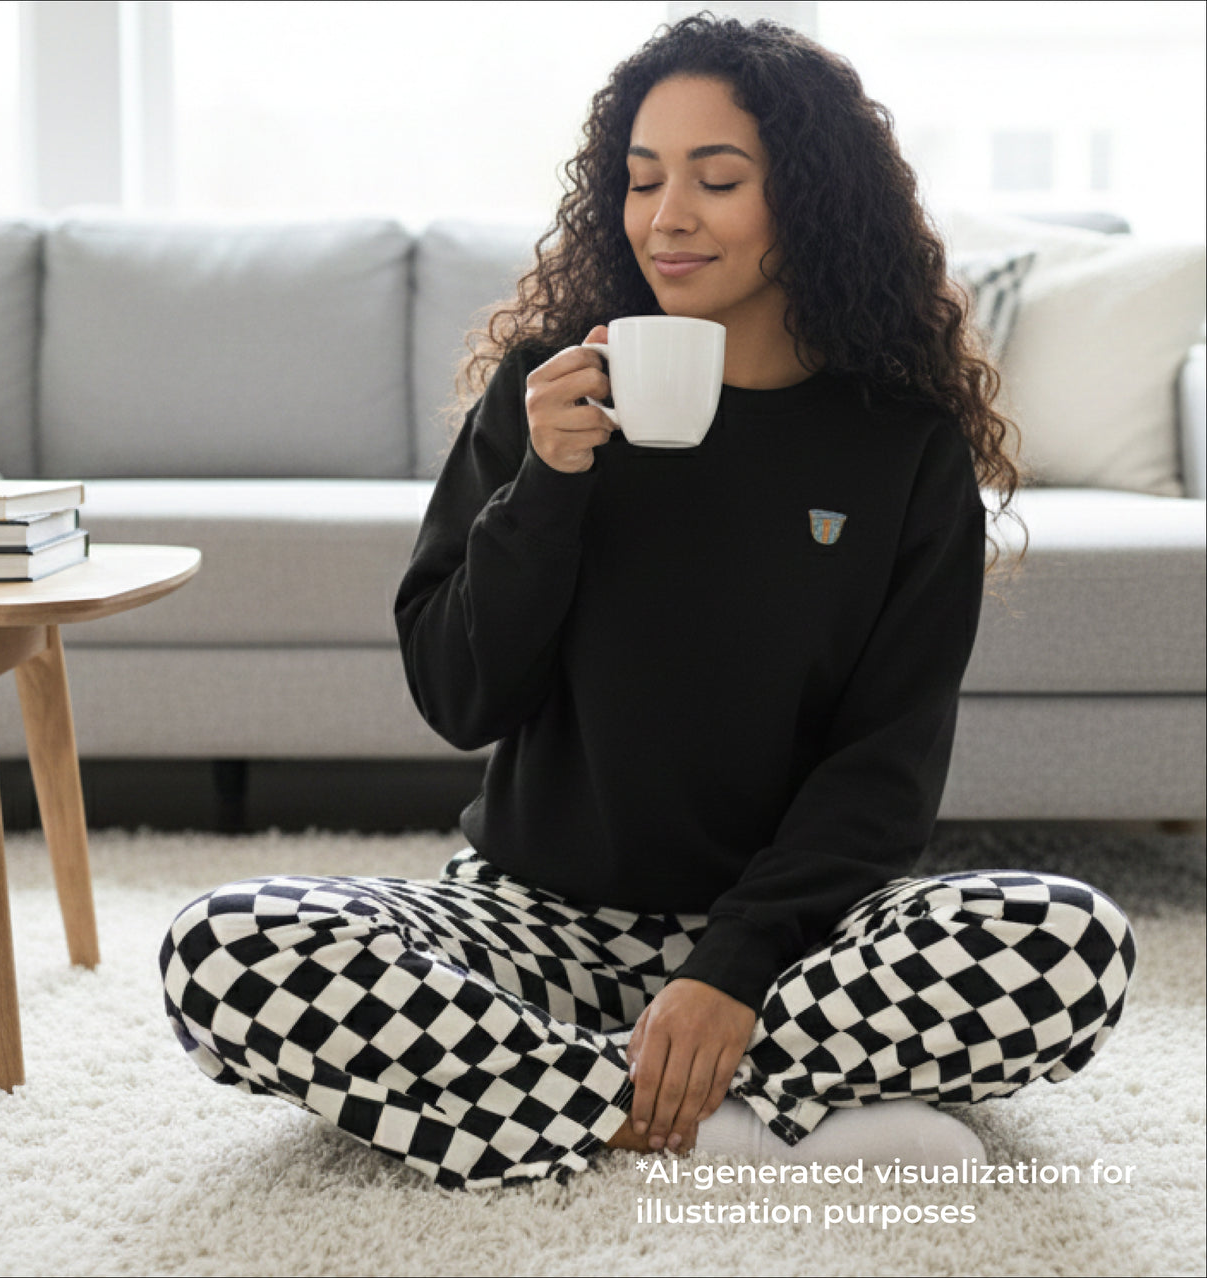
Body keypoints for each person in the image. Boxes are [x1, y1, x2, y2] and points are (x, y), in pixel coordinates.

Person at [159, 15, 1135, 1192]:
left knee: (1069, 941)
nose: (664, 215)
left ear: (810, 201)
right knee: (226, 950)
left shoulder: (900, 449)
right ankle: (718, 1121)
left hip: (797, 940)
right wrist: (546, 488)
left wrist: (729, 966)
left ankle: (549, 1104)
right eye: (638, 179)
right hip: (534, 925)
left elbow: (886, 764)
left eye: (715, 180)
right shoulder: (543, 397)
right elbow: (458, 697)